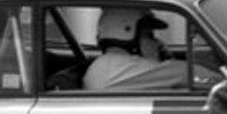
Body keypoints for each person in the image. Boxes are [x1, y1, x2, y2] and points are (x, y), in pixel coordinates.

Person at [83, 7, 213, 91]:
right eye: (149, 36)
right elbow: (185, 73)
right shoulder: (116, 70)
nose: (157, 43)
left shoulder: (108, 65)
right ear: (126, 33)